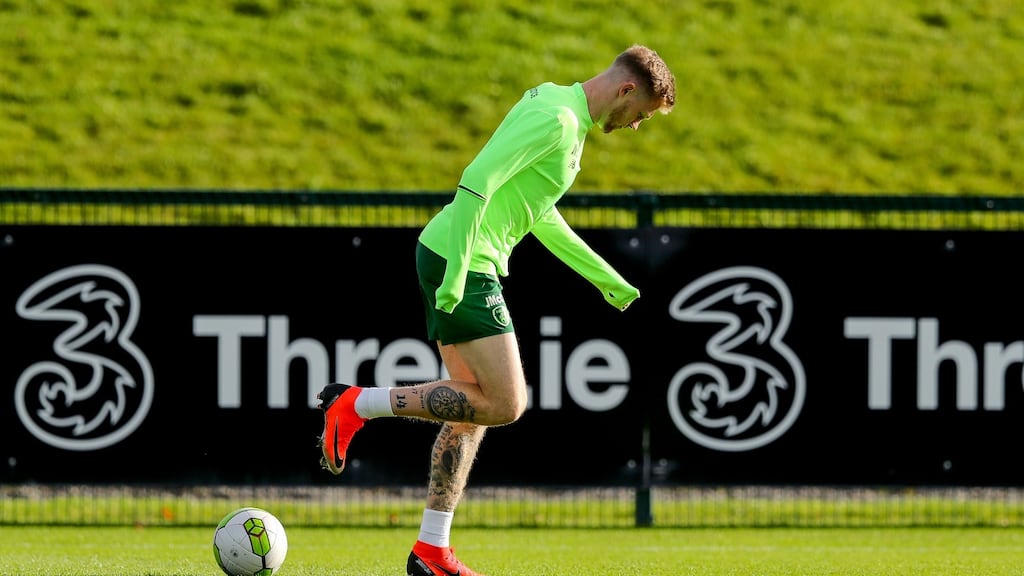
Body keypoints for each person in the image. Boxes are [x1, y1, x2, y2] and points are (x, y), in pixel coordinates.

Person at [317, 44, 676, 576]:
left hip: (453, 255)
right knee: (507, 403)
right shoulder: (556, 120)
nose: (636, 125)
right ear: (626, 90)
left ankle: (431, 549)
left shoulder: (564, 115)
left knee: (470, 410)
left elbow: (540, 215)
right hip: (461, 260)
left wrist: (605, 278)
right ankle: (355, 404)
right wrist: (459, 273)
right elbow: (475, 180)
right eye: (641, 114)